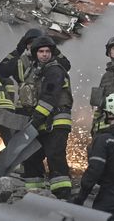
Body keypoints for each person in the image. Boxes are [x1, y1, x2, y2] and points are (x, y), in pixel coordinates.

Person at [17, 35, 73, 199]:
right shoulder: (34, 71)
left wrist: (35, 120)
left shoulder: (55, 70)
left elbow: (49, 97)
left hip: (56, 121)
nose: (44, 54)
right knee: (31, 156)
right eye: (41, 51)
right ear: (35, 53)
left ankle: (62, 194)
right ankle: (34, 193)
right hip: (41, 122)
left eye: (48, 51)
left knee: (55, 155)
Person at [71, 93, 114, 220]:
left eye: (106, 112)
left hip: (110, 196)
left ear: (111, 114)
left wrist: (80, 198)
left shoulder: (105, 139)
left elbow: (94, 170)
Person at [0, 28, 71, 115]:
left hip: (43, 107)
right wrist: (18, 50)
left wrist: (54, 49)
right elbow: (3, 70)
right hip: (23, 108)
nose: (34, 45)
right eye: (30, 43)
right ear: (25, 46)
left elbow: (66, 65)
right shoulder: (20, 62)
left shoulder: (50, 61)